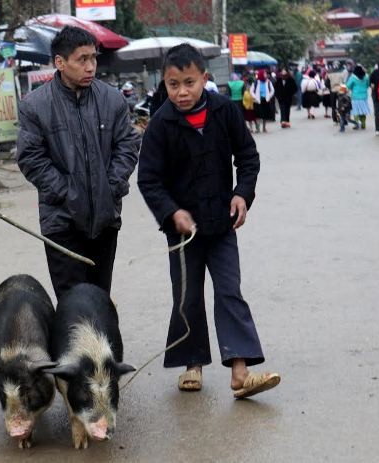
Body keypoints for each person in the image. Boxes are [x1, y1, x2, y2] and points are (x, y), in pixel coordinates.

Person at [137, 43, 280, 399]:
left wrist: (242, 194)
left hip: (222, 225)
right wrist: (172, 212)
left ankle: (240, 370)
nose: (181, 92)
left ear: (204, 78)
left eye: (188, 82)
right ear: (164, 85)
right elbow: (149, 179)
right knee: (186, 296)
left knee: (230, 290)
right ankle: (192, 365)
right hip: (182, 233)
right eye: (173, 85)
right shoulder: (160, 124)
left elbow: (248, 156)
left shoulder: (225, 112)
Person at [16, 26, 140, 299]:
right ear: (60, 63)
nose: (90, 67)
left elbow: (127, 144)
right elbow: (30, 157)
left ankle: (101, 343)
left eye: (93, 58)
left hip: (105, 218)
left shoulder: (112, 99)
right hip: (61, 220)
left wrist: (111, 186)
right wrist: (66, 193)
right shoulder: (35, 106)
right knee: (72, 302)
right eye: (82, 59)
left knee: (99, 298)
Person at [347, 65, 370, 129]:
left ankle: (356, 124)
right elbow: (368, 85)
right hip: (364, 97)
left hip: (355, 97)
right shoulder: (366, 77)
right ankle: (363, 124)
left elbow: (348, 86)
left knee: (356, 111)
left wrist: (352, 89)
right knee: (363, 111)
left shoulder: (353, 77)